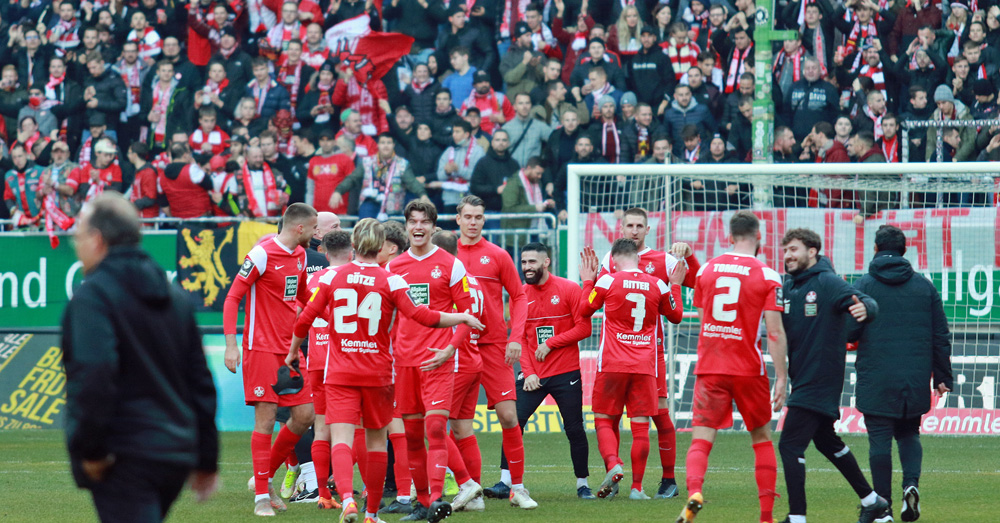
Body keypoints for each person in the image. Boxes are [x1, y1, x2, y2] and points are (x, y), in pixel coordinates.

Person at [288, 218, 483, 523]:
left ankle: (348, 500)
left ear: (354, 245)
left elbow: (304, 320)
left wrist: (291, 353)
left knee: (340, 438)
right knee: (377, 441)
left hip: (340, 372)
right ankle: (372, 514)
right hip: (378, 373)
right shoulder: (391, 279)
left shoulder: (331, 279)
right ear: (381, 246)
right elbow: (423, 316)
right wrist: (461, 318)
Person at [62, 192, 219, 522]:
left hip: (124, 455)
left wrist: (92, 450)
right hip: (175, 453)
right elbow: (201, 381)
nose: (74, 245)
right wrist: (206, 458)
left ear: (97, 239)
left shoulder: (94, 296)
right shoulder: (175, 297)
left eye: (77, 236)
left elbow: (94, 373)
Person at [678, 210, 788, 523]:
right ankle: (766, 517)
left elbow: (703, 321)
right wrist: (781, 377)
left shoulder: (707, 271)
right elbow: (775, 332)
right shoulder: (767, 275)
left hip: (711, 366)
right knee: (761, 437)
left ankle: (695, 492)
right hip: (748, 368)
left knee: (701, 438)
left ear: (729, 237)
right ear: (760, 240)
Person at [778, 227, 888, 523]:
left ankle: (797, 518)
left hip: (819, 378)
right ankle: (873, 501)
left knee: (789, 445)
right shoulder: (788, 287)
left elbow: (866, 301)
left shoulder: (827, 282)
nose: (787, 255)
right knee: (826, 441)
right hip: (801, 376)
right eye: (785, 250)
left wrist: (867, 308)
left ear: (812, 252)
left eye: (794, 250)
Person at [849, 225, 953, 523]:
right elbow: (941, 335)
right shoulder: (924, 287)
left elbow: (851, 329)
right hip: (914, 376)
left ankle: (884, 510)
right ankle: (911, 485)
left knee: (879, 440)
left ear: (875, 249)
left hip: (877, 376)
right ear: (905, 250)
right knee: (909, 433)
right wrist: (943, 376)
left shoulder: (863, 287)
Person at [384, 201, 479, 521]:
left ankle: (437, 499)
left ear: (433, 227)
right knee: (411, 436)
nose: (418, 227)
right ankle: (422, 503)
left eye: (424, 221)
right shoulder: (394, 267)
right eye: (413, 221)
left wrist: (451, 349)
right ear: (407, 226)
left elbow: (468, 315)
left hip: (439, 361)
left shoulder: (451, 265)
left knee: (435, 427)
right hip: (405, 362)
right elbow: (388, 317)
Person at [222, 203, 318, 516]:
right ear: (300, 228)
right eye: (314, 228)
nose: (316, 234)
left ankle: (264, 477)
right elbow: (233, 297)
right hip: (260, 349)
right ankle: (262, 496)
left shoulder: (301, 256)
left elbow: (303, 296)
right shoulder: (262, 254)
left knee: (305, 414)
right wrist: (231, 345)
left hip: (290, 350)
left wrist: (330, 315)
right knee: (265, 419)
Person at [597, 207, 700, 499]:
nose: (634, 230)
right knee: (615, 416)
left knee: (660, 415)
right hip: (622, 353)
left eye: (639, 225)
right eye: (629, 225)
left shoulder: (664, 260)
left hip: (650, 355)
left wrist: (689, 255)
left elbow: (697, 281)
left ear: (648, 229)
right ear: (622, 228)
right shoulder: (611, 259)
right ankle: (618, 479)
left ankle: (668, 479)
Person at [579, 238, 684, 500]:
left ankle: (614, 462)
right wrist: (677, 286)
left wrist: (588, 280)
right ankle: (637, 488)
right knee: (640, 425)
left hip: (613, 363)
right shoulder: (658, 284)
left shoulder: (608, 280)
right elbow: (676, 316)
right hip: (644, 364)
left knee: (603, 418)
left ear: (613, 260)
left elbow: (584, 309)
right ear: (638, 258)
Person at [454, 195, 537, 508]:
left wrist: (515, 337)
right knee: (455, 423)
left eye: (479, 216)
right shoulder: (449, 255)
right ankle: (471, 490)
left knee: (508, 415)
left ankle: (518, 488)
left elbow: (518, 297)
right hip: (459, 346)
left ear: (484, 220)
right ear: (458, 219)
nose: (473, 222)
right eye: (468, 216)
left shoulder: (497, 255)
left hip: (493, 347)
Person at [515, 243, 594, 498]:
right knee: (512, 422)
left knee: (574, 428)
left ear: (546, 262)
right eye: (524, 262)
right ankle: (508, 483)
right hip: (534, 375)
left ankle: (582, 484)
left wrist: (550, 343)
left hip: (566, 373)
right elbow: (520, 339)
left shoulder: (569, 289)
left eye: (532, 262)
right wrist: (528, 373)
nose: (527, 267)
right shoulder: (520, 295)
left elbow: (584, 329)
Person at [297, 229, 353, 510]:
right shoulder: (353, 278)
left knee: (321, 427)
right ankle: (355, 491)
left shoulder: (315, 278)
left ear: (326, 253)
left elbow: (301, 310)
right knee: (359, 428)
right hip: (347, 359)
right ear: (351, 251)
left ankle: (323, 493)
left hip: (317, 359)